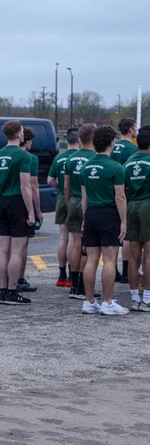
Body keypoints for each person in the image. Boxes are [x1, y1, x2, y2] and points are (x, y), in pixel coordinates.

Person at [80, 125, 128, 315]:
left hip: (91, 213)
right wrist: (124, 221)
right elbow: (120, 197)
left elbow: (84, 197)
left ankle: (89, 301)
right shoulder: (116, 167)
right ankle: (107, 302)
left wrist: (85, 219)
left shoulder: (85, 166)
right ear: (111, 143)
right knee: (109, 260)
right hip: (108, 214)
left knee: (91, 259)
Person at [0, 120, 35, 305]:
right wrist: (30, 212)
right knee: (17, 250)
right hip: (17, 202)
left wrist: (4, 179)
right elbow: (26, 186)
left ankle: (2, 290)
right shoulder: (23, 156)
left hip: (2, 201)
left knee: (3, 249)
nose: (23, 133)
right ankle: (13, 292)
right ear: (17, 134)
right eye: (22, 131)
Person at [64, 124, 97, 297]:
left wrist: (70, 202)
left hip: (73, 201)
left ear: (79, 139)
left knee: (74, 241)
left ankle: (73, 284)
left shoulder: (71, 158)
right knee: (87, 245)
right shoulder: (95, 158)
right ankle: (83, 287)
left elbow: (66, 186)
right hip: (88, 202)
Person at [47, 128, 80, 288]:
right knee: (74, 239)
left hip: (62, 197)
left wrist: (60, 186)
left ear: (67, 140)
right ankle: (73, 274)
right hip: (77, 198)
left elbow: (49, 180)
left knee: (63, 237)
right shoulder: (80, 157)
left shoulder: (59, 158)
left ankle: (62, 275)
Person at [123, 127, 150, 310]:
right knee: (148, 256)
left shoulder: (128, 162)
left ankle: (134, 298)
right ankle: (147, 298)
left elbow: (123, 189)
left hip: (131, 205)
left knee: (133, 257)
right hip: (147, 204)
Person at [14, 127, 41, 293]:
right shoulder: (30, 158)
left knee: (6, 247)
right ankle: (19, 279)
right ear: (26, 140)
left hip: (5, 201)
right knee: (21, 246)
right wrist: (37, 210)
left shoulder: (4, 154)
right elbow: (33, 185)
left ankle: (8, 281)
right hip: (22, 203)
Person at [112, 117, 138, 284]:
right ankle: (126, 272)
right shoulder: (133, 149)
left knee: (112, 236)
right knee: (126, 235)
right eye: (135, 127)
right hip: (124, 194)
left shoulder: (112, 146)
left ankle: (112, 270)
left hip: (108, 193)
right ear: (130, 129)